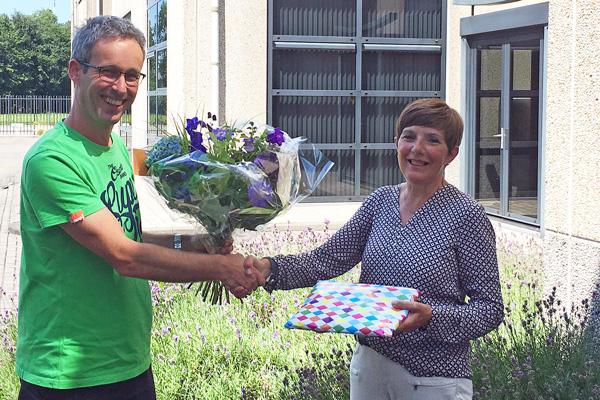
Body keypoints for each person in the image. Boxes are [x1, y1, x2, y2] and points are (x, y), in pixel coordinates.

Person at [16, 16, 263, 399]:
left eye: (132, 75)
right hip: (68, 374)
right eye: (109, 71)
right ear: (75, 71)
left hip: (129, 361)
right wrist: (222, 267)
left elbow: (126, 233)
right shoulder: (51, 161)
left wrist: (190, 243)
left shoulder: (115, 146)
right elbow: (124, 256)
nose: (121, 87)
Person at [246, 98, 504, 399]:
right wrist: (269, 268)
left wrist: (432, 317)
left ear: (452, 153)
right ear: (396, 143)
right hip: (370, 370)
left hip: (432, 380)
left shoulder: (467, 216)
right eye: (409, 137)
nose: (417, 148)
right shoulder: (380, 201)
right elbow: (325, 260)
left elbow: (490, 309)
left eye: (432, 140)